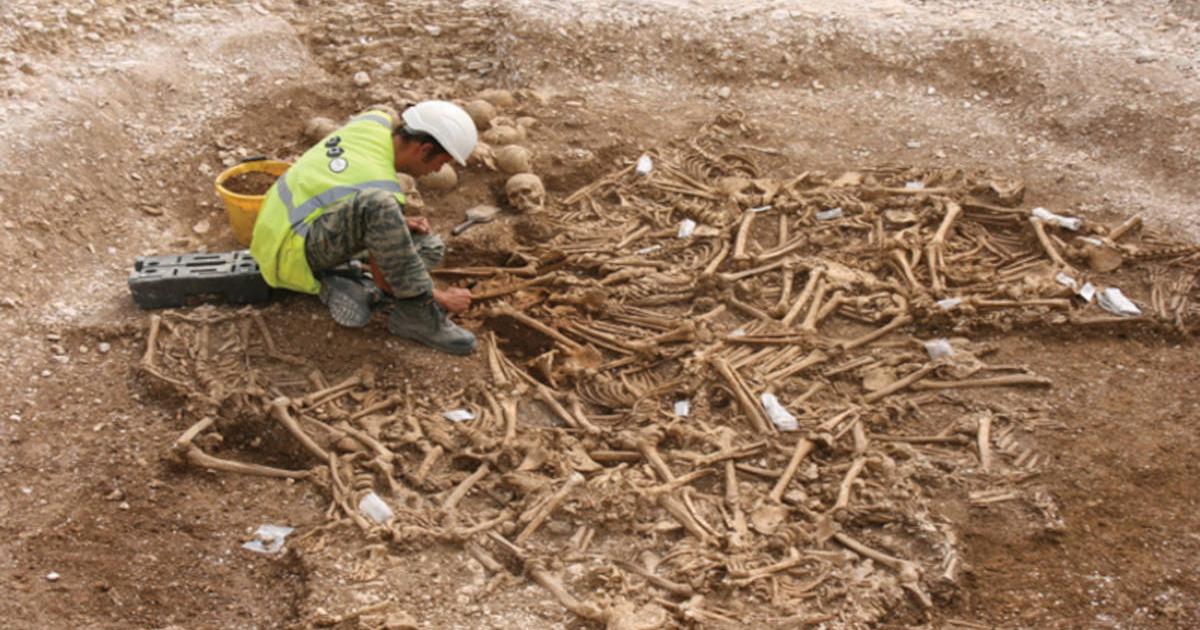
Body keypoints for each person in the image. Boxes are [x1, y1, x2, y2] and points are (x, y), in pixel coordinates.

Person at [250, 101, 477, 355]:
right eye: (441, 162)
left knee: (429, 246)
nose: (437, 170)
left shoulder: (373, 122)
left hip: (283, 226)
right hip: (287, 253)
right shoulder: (382, 189)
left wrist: (394, 226)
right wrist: (441, 297)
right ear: (424, 150)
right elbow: (388, 281)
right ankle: (416, 317)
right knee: (380, 208)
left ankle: (342, 278)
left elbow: (342, 182)